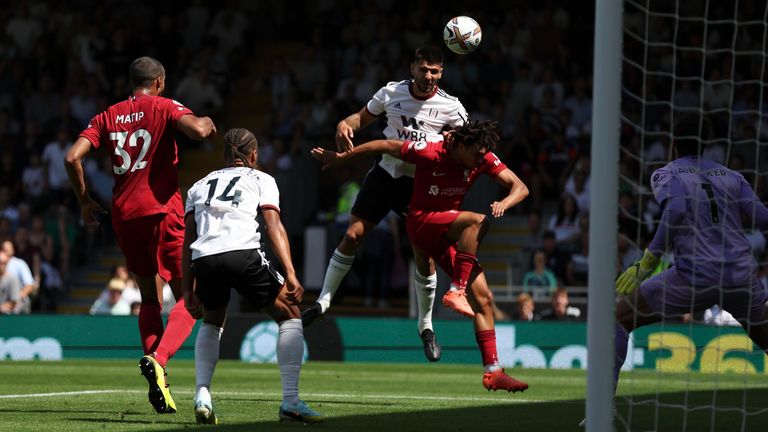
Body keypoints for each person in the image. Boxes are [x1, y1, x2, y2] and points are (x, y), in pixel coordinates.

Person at [312, 120, 530, 392]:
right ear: (460, 146)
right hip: (422, 222)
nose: (478, 160)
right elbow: (385, 145)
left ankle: (493, 370)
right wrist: (343, 157)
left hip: (448, 229)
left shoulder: (480, 157)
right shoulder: (430, 150)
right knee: (477, 222)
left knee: (485, 298)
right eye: (474, 154)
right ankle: (456, 290)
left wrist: (504, 203)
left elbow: (520, 187)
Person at [64, 56, 216, 414]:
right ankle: (160, 359)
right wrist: (208, 122)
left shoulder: (107, 115)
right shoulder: (164, 106)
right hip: (162, 212)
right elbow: (196, 131)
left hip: (125, 216)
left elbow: (72, 157)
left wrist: (85, 201)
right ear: (159, 82)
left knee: (150, 299)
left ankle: (157, 367)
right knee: (191, 301)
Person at [302, 46, 470, 363]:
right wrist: (345, 124)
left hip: (419, 185)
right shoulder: (391, 92)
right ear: (413, 68)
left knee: (424, 256)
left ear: (441, 73)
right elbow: (360, 118)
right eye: (424, 70)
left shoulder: (451, 107)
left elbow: (467, 145)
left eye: (435, 71)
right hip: (385, 173)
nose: (429, 76)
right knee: (353, 235)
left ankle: (426, 327)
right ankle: (323, 302)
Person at [607, 118, 768, 424]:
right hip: (741, 277)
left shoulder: (666, 173)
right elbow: (763, 219)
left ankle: (603, 408)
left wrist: (647, 263)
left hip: (695, 275)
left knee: (619, 317)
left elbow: (678, 210)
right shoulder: (732, 176)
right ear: (706, 143)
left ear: (673, 143)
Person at [183, 128, 324, 424]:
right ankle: (291, 403)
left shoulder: (198, 185)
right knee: (290, 315)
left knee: (211, 321)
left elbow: (188, 239)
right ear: (254, 155)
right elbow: (273, 227)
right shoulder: (263, 179)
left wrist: (186, 288)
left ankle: (202, 394)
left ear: (224, 156)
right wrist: (290, 273)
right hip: (242, 254)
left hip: (204, 259)